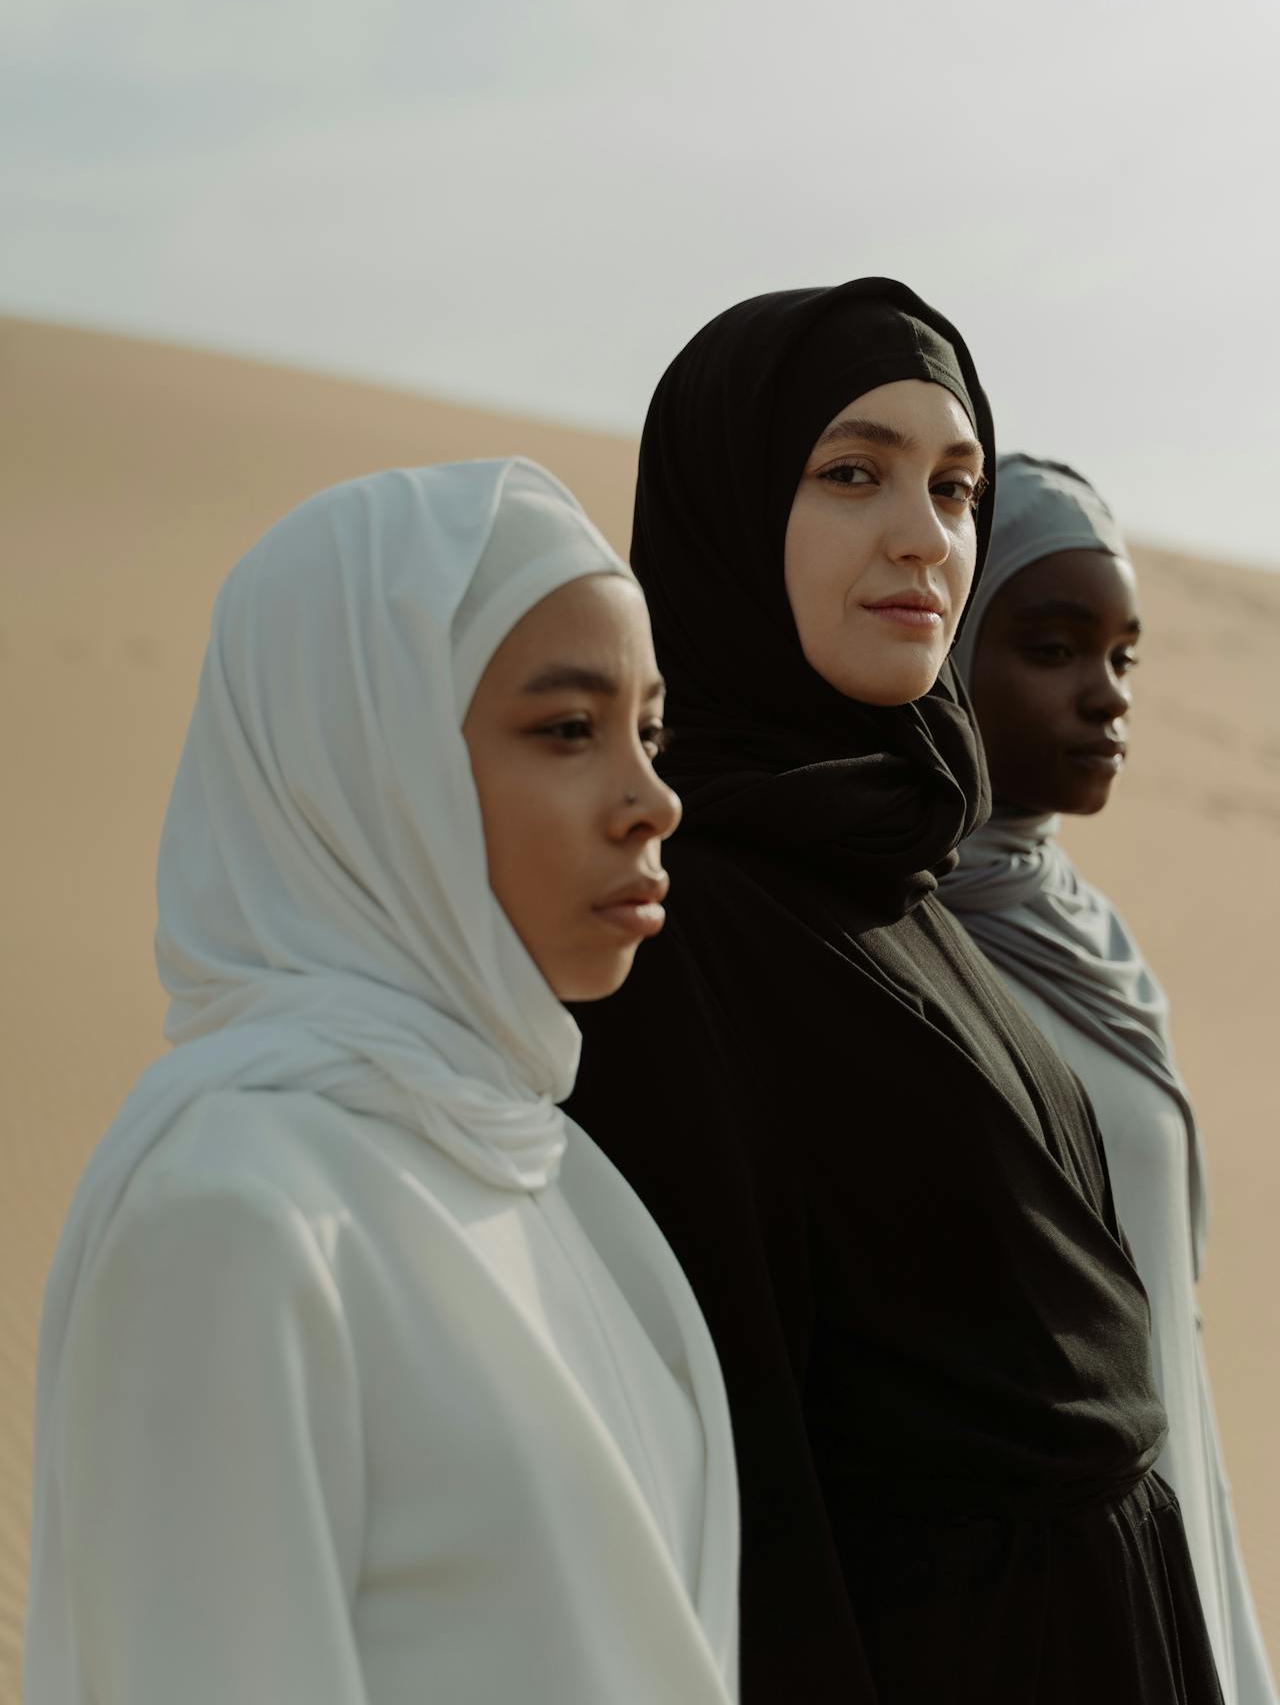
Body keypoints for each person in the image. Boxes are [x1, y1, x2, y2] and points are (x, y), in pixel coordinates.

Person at [565, 280, 1224, 1704]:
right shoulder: (673, 918)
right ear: (733, 506)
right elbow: (744, 1489)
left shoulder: (895, 869)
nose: (924, 537)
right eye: (852, 473)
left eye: (955, 485)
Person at [25, 458, 739, 1705]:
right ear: (360, 761)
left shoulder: (542, 1171)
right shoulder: (235, 1217)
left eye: (650, 729)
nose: (651, 800)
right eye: (567, 729)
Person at [941, 451, 1276, 1705]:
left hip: (1171, 1535)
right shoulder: (889, 949)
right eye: (1049, 645)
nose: (1104, 697)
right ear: (946, 644)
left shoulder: (1091, 936)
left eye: (1123, 658)